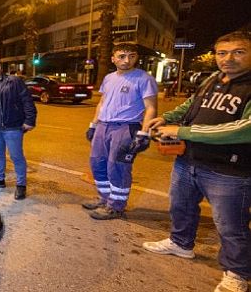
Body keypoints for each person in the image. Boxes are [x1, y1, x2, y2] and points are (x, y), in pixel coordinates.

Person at [142, 31, 251, 292]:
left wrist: (180, 131)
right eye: (221, 53)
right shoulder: (213, 79)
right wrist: (166, 118)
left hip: (230, 170)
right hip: (188, 160)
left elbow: (244, 129)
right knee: (181, 207)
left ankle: (238, 273)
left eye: (239, 52)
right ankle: (181, 244)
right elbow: (191, 106)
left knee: (230, 225)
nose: (228, 59)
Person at [82, 43, 158, 219]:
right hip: (103, 126)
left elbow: (151, 108)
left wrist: (144, 133)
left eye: (131, 56)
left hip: (126, 127)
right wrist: (93, 125)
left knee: (117, 166)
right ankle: (105, 198)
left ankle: (116, 206)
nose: (126, 60)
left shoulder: (144, 79)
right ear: (113, 58)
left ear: (136, 58)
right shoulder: (109, 78)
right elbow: (102, 102)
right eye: (122, 56)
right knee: (97, 163)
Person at [0, 58, 36, 200]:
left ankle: (21, 185)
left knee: (16, 157)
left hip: (12, 127)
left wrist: (30, 120)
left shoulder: (13, 81)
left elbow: (27, 101)